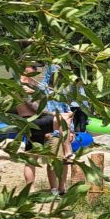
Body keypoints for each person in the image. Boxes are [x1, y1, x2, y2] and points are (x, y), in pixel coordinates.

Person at [17, 62, 71, 194]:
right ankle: (68, 151)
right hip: (32, 121)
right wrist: (54, 114)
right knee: (63, 120)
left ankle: (29, 190)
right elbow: (35, 107)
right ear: (24, 68)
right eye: (34, 67)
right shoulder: (21, 85)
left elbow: (42, 100)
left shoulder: (32, 85)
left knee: (31, 157)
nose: (37, 70)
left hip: (35, 121)